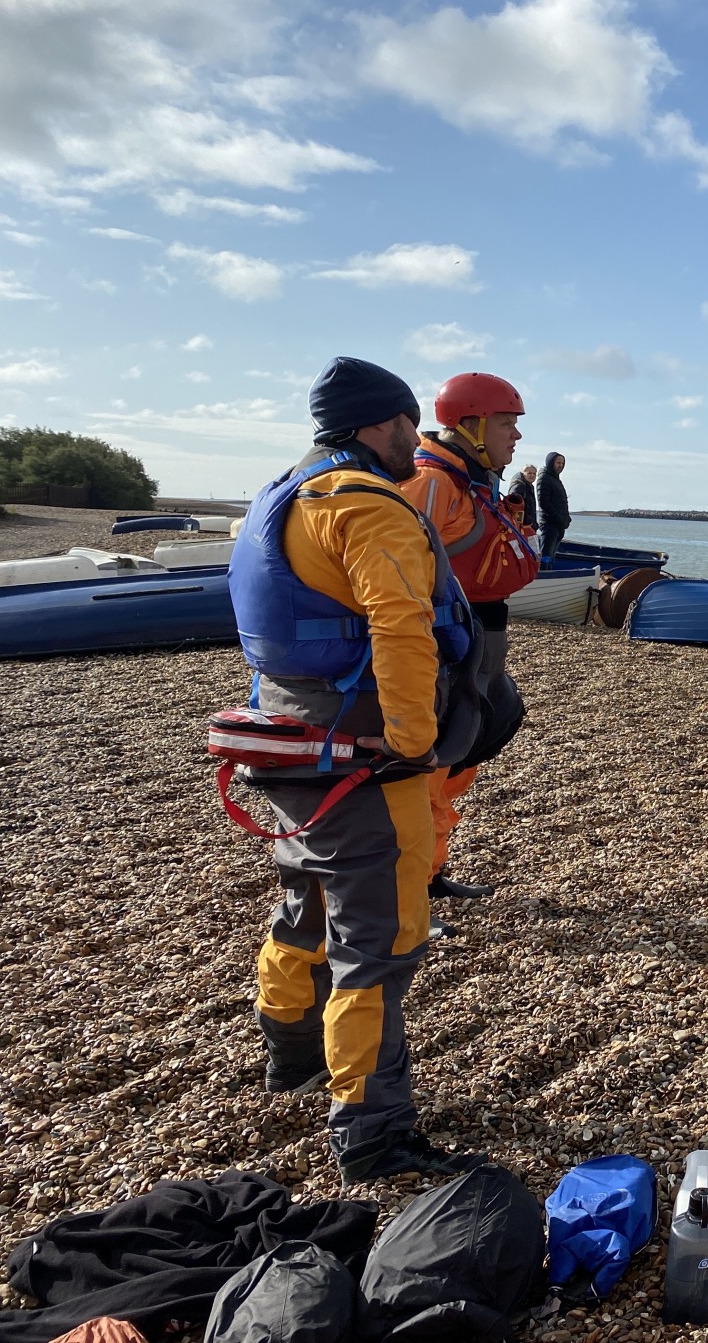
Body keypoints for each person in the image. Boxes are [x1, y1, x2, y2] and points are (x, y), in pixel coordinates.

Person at [228, 356, 494, 1181]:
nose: (417, 441)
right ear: (386, 424)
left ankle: (293, 1059)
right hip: (363, 745)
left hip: (289, 730)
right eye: (410, 425)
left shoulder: (283, 493)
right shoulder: (370, 504)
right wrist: (415, 741)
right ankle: (372, 1132)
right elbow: (403, 628)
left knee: (308, 898)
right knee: (381, 938)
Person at [401, 373, 536, 905]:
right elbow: (400, 569)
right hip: (445, 646)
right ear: (471, 425)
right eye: (507, 424)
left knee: (478, 739)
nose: (516, 436)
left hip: (478, 640)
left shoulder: (473, 479)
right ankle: (406, 892)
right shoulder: (431, 482)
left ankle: (429, 874)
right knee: (433, 763)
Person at [535, 451, 571, 562]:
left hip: (559, 525)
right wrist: (558, 518)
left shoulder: (556, 479)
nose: (560, 465)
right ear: (551, 463)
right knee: (546, 557)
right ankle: (542, 576)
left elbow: (561, 502)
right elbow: (544, 502)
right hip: (549, 524)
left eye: (562, 463)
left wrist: (566, 519)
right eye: (558, 462)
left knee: (551, 558)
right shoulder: (544, 478)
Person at [505, 462, 539, 536]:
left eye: (534, 474)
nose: (532, 475)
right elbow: (512, 507)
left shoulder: (529, 486)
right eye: (529, 473)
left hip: (528, 527)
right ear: (523, 474)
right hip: (522, 528)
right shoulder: (519, 486)